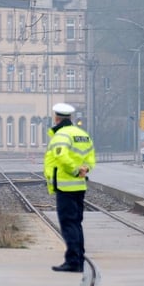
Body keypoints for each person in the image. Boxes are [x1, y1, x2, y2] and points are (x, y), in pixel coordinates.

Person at [44, 102, 96, 273]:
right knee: (76, 223)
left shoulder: (61, 135)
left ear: (57, 118)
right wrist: (84, 169)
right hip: (80, 186)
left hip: (65, 187)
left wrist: (74, 170)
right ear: (70, 118)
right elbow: (90, 158)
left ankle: (73, 261)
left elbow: (62, 158)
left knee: (68, 224)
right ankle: (79, 258)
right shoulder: (82, 135)